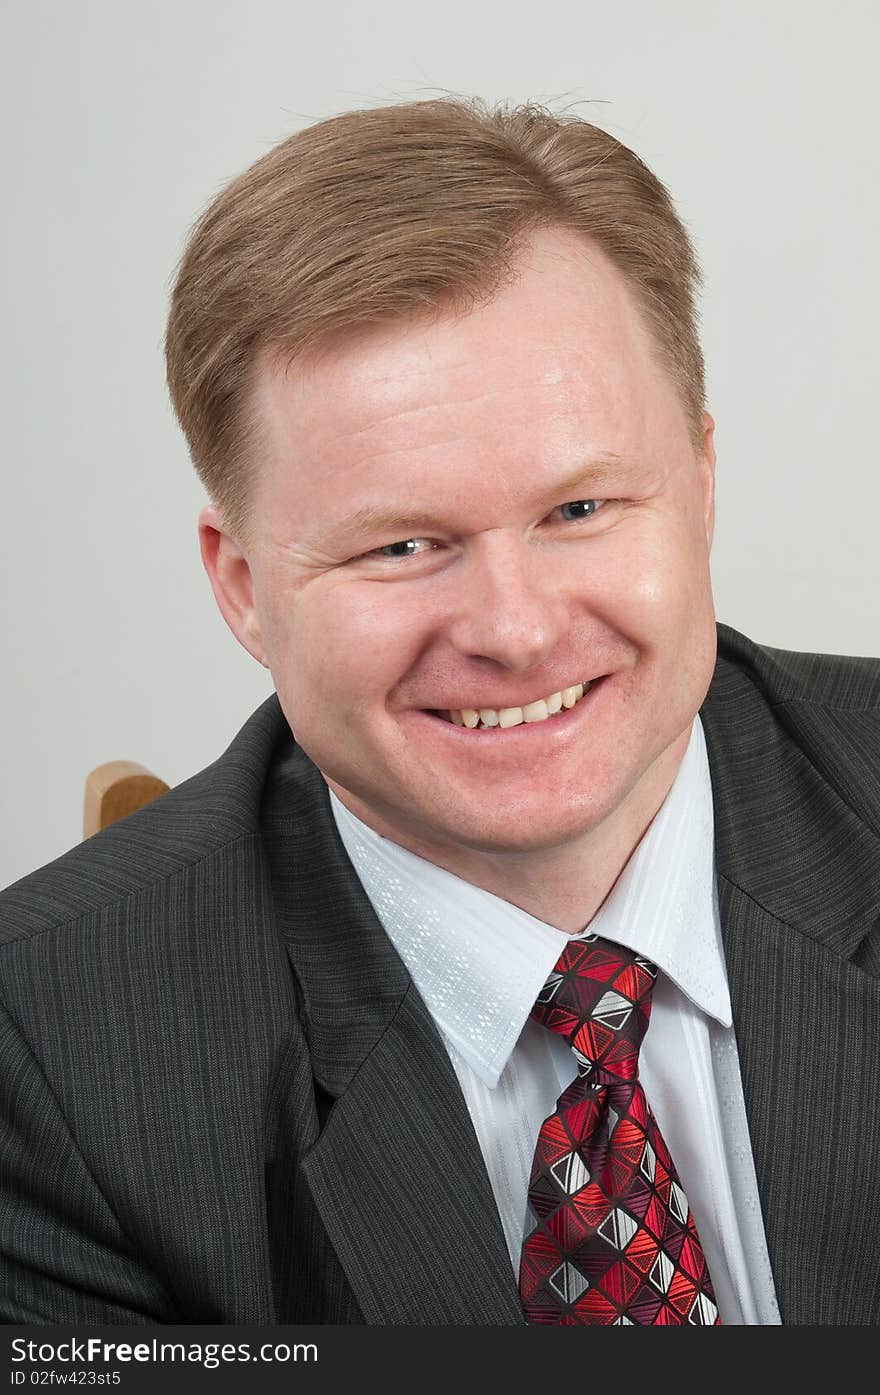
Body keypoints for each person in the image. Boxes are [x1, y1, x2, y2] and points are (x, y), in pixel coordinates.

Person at [1, 97, 878, 1328]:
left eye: (578, 511)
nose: (514, 630)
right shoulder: (48, 1055)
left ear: (700, 482)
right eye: (403, 543)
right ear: (243, 588)